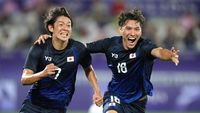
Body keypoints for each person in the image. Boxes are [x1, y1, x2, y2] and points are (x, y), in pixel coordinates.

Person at [35, 8, 179, 113]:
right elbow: (81, 48)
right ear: (121, 30)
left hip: (138, 103)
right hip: (114, 96)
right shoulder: (110, 44)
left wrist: (169, 55)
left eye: (137, 29)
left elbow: (159, 52)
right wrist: (54, 39)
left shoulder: (145, 46)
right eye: (129, 28)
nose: (133, 33)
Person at [19, 7, 103, 113]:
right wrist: (42, 74)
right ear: (51, 28)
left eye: (68, 25)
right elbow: (24, 79)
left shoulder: (78, 49)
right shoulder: (39, 47)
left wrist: (97, 91)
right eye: (61, 25)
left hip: (58, 109)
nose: (65, 28)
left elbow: (88, 68)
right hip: (33, 106)